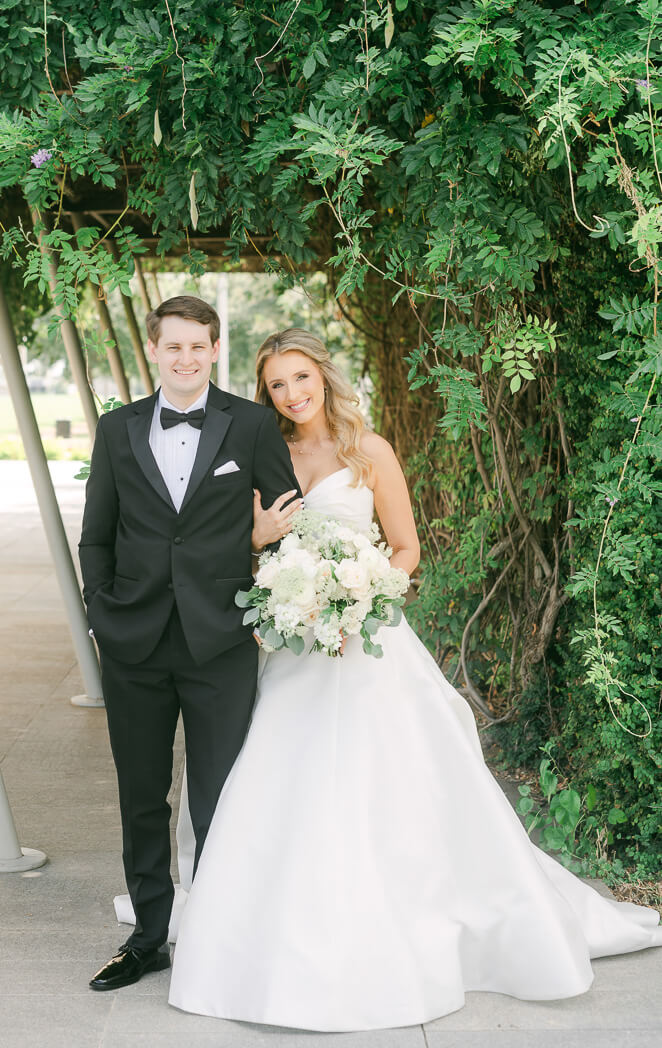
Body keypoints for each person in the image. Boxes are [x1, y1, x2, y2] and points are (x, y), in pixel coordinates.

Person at [167, 327, 662, 1031]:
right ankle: (274, 927)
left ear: (323, 376)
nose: (292, 394)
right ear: (264, 392)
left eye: (300, 378)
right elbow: (242, 541)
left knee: (391, 779)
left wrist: (361, 599)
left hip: (366, 643)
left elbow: (404, 548)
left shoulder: (368, 452)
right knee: (278, 775)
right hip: (293, 641)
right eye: (277, 384)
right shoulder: (262, 452)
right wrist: (266, 560)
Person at [78, 296, 300, 992]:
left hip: (220, 643)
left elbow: (290, 525)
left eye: (197, 347)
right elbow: (96, 534)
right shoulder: (116, 430)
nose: (185, 359)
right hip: (134, 645)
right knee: (142, 796)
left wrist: (258, 542)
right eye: (172, 346)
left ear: (214, 349)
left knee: (218, 797)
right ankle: (148, 939)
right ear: (154, 350)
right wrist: (101, 614)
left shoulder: (254, 424)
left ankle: (219, 936)